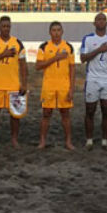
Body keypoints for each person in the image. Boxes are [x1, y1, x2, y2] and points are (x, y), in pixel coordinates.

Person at [0, 16, 27, 147]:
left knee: (15, 115)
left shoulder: (18, 43)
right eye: (3, 26)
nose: (6, 28)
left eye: (8, 26)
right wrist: (3, 54)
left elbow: (23, 65)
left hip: (13, 85)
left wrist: (24, 83)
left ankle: (14, 139)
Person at [80, 13, 107, 149]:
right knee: (90, 110)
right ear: (94, 23)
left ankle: (104, 140)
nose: (101, 22)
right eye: (98, 19)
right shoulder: (88, 39)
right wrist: (99, 50)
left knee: (106, 110)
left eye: (104, 19)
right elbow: (83, 58)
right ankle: (89, 140)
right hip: (92, 78)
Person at [36, 22, 75, 150]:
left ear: (62, 32)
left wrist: (72, 88)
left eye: (59, 30)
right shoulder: (44, 47)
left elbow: (72, 69)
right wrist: (55, 57)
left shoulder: (68, 47)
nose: (56, 32)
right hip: (49, 86)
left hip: (64, 85)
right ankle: (42, 141)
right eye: (54, 30)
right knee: (46, 114)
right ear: (50, 32)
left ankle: (68, 142)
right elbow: (38, 66)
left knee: (65, 114)